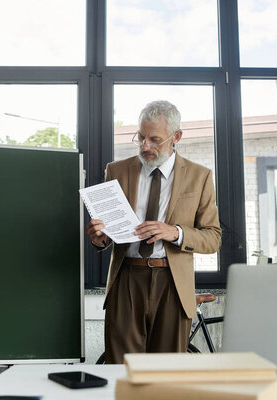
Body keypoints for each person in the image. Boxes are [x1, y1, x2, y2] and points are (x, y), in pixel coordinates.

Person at [86, 100, 221, 364]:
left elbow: (213, 237)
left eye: (154, 139)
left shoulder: (200, 176)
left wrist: (176, 232)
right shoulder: (116, 171)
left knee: (167, 371)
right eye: (141, 137)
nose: (145, 146)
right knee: (121, 368)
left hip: (172, 281)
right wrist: (99, 238)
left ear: (176, 137)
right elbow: (108, 231)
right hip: (126, 277)